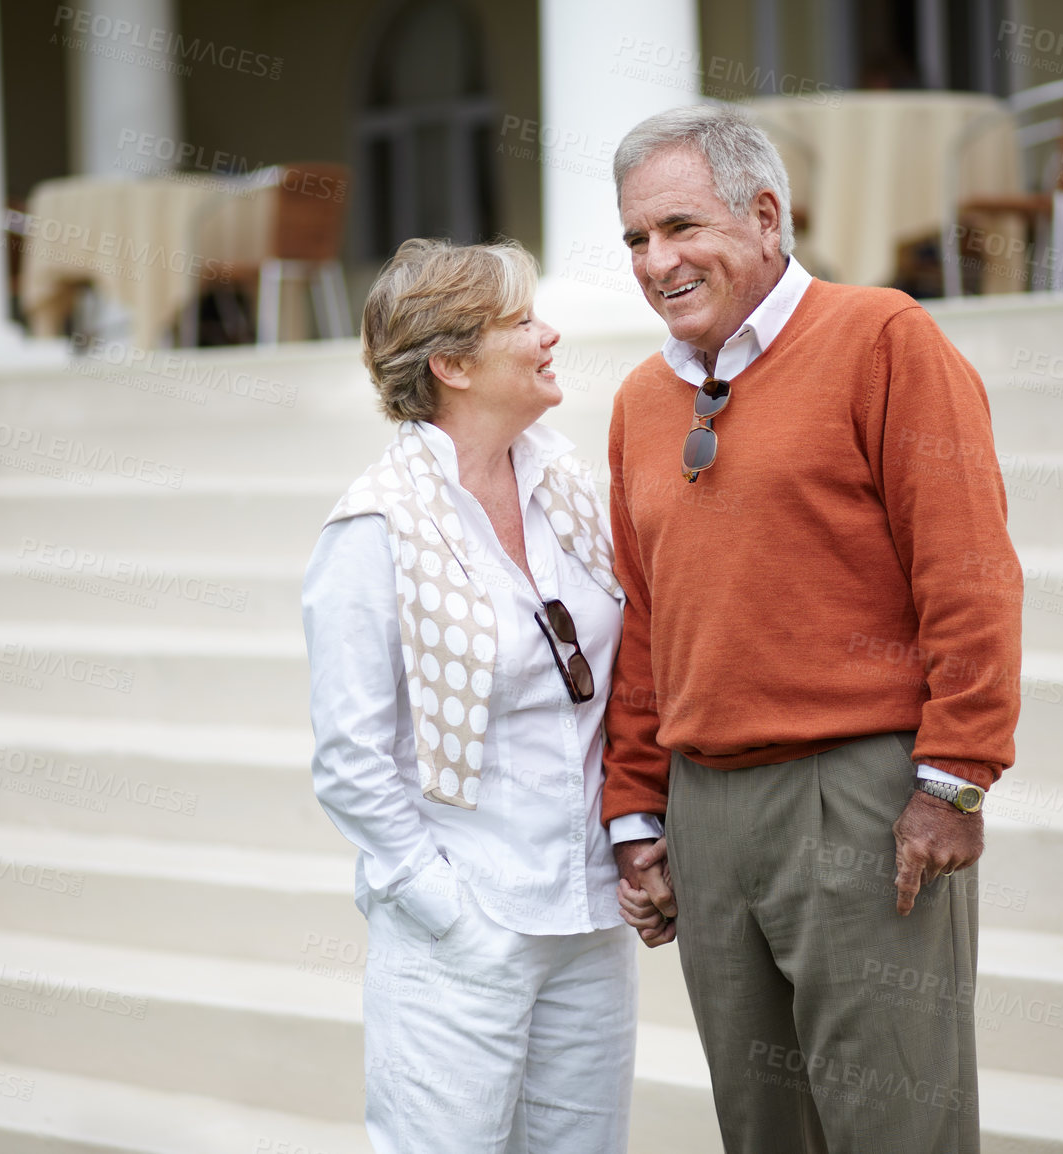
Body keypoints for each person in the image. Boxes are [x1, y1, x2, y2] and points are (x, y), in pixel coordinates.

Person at [602, 106, 1023, 1152]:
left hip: (862, 799)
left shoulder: (882, 337)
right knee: (761, 1131)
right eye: (636, 241)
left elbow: (969, 573)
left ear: (764, 214)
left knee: (895, 1125)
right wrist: (636, 813)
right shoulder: (637, 403)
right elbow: (642, 623)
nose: (658, 262)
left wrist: (955, 774)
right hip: (705, 812)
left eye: (680, 227)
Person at [302, 238, 636, 1153]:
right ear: (452, 364)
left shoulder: (566, 488)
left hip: (590, 913)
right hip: (464, 925)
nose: (549, 334)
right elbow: (349, 762)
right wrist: (444, 908)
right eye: (523, 322)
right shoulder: (371, 531)